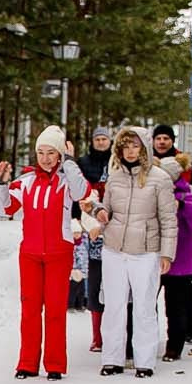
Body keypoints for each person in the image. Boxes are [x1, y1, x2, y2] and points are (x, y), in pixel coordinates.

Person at [0, 124, 90, 381]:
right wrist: (1, 184)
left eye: (51, 152)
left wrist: (70, 162)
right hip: (30, 254)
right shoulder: (26, 181)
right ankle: (27, 363)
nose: (46, 158)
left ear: (60, 154)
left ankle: (55, 364)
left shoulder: (66, 179)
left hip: (59, 253)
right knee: (29, 309)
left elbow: (83, 192)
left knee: (55, 310)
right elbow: (5, 209)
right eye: (41, 152)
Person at [93, 127, 176, 377]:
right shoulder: (114, 176)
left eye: (135, 145)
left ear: (145, 148)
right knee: (114, 305)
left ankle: (145, 361)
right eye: (125, 146)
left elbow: (169, 219)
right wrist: (98, 213)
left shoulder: (160, 178)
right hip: (114, 248)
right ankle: (112, 359)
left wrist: (166, 253)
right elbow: (105, 208)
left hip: (145, 250)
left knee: (144, 306)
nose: (130, 151)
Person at [160, 154, 192, 363]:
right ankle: (144, 342)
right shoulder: (153, 193)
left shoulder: (188, 196)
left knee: (176, 307)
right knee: (145, 305)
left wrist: (184, 206)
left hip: (179, 262)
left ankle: (174, 346)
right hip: (154, 258)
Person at [74, 128, 113, 339]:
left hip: (114, 227)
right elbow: (77, 194)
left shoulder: (116, 162)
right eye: (97, 139)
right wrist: (78, 220)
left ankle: (114, 333)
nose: (100, 142)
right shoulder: (84, 162)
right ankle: (97, 335)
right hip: (90, 226)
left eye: (104, 139)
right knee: (94, 281)